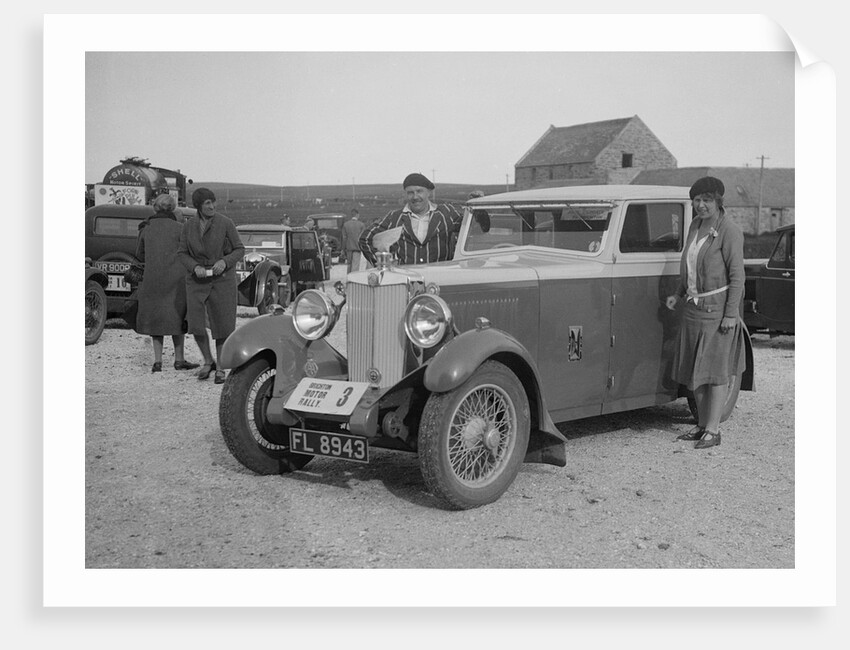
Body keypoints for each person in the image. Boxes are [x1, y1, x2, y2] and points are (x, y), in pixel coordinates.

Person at [666, 176, 746, 449]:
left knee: (715, 372)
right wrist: (678, 295)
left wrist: (731, 314)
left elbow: (737, 277)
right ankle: (701, 425)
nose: (701, 205)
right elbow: (688, 264)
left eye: (707, 200)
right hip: (692, 308)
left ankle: (714, 430)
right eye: (697, 200)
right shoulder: (695, 226)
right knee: (694, 371)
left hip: (717, 311)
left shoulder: (729, 231)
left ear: (718, 202)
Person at [177, 187, 245, 384]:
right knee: (196, 325)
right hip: (196, 280)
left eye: (213, 202)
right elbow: (182, 253)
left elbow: (239, 249)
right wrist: (194, 266)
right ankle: (208, 361)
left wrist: (224, 261)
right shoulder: (188, 226)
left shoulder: (226, 223)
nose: (212, 206)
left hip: (221, 280)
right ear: (198, 205)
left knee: (223, 325)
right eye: (207, 203)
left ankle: (221, 367)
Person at [133, 193, 199, 373]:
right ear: (173, 208)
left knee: (156, 319)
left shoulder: (145, 228)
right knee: (177, 317)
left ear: (155, 207)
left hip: (152, 278)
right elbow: (189, 252)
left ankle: (158, 362)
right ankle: (179, 359)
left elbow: (139, 254)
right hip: (177, 279)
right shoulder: (180, 228)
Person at [359, 172, 463, 266]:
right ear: (405, 194)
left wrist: (477, 202)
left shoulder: (446, 213)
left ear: (429, 192)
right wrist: (381, 264)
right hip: (406, 280)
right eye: (410, 193)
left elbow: (472, 226)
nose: (415, 197)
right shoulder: (394, 217)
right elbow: (365, 239)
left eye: (419, 191)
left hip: (439, 279)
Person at [341, 208, 366, 272]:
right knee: (355, 265)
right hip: (357, 248)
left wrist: (343, 249)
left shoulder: (346, 225)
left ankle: (348, 278)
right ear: (357, 215)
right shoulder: (361, 225)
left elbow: (344, 238)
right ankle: (353, 279)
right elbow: (363, 238)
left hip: (348, 248)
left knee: (349, 264)